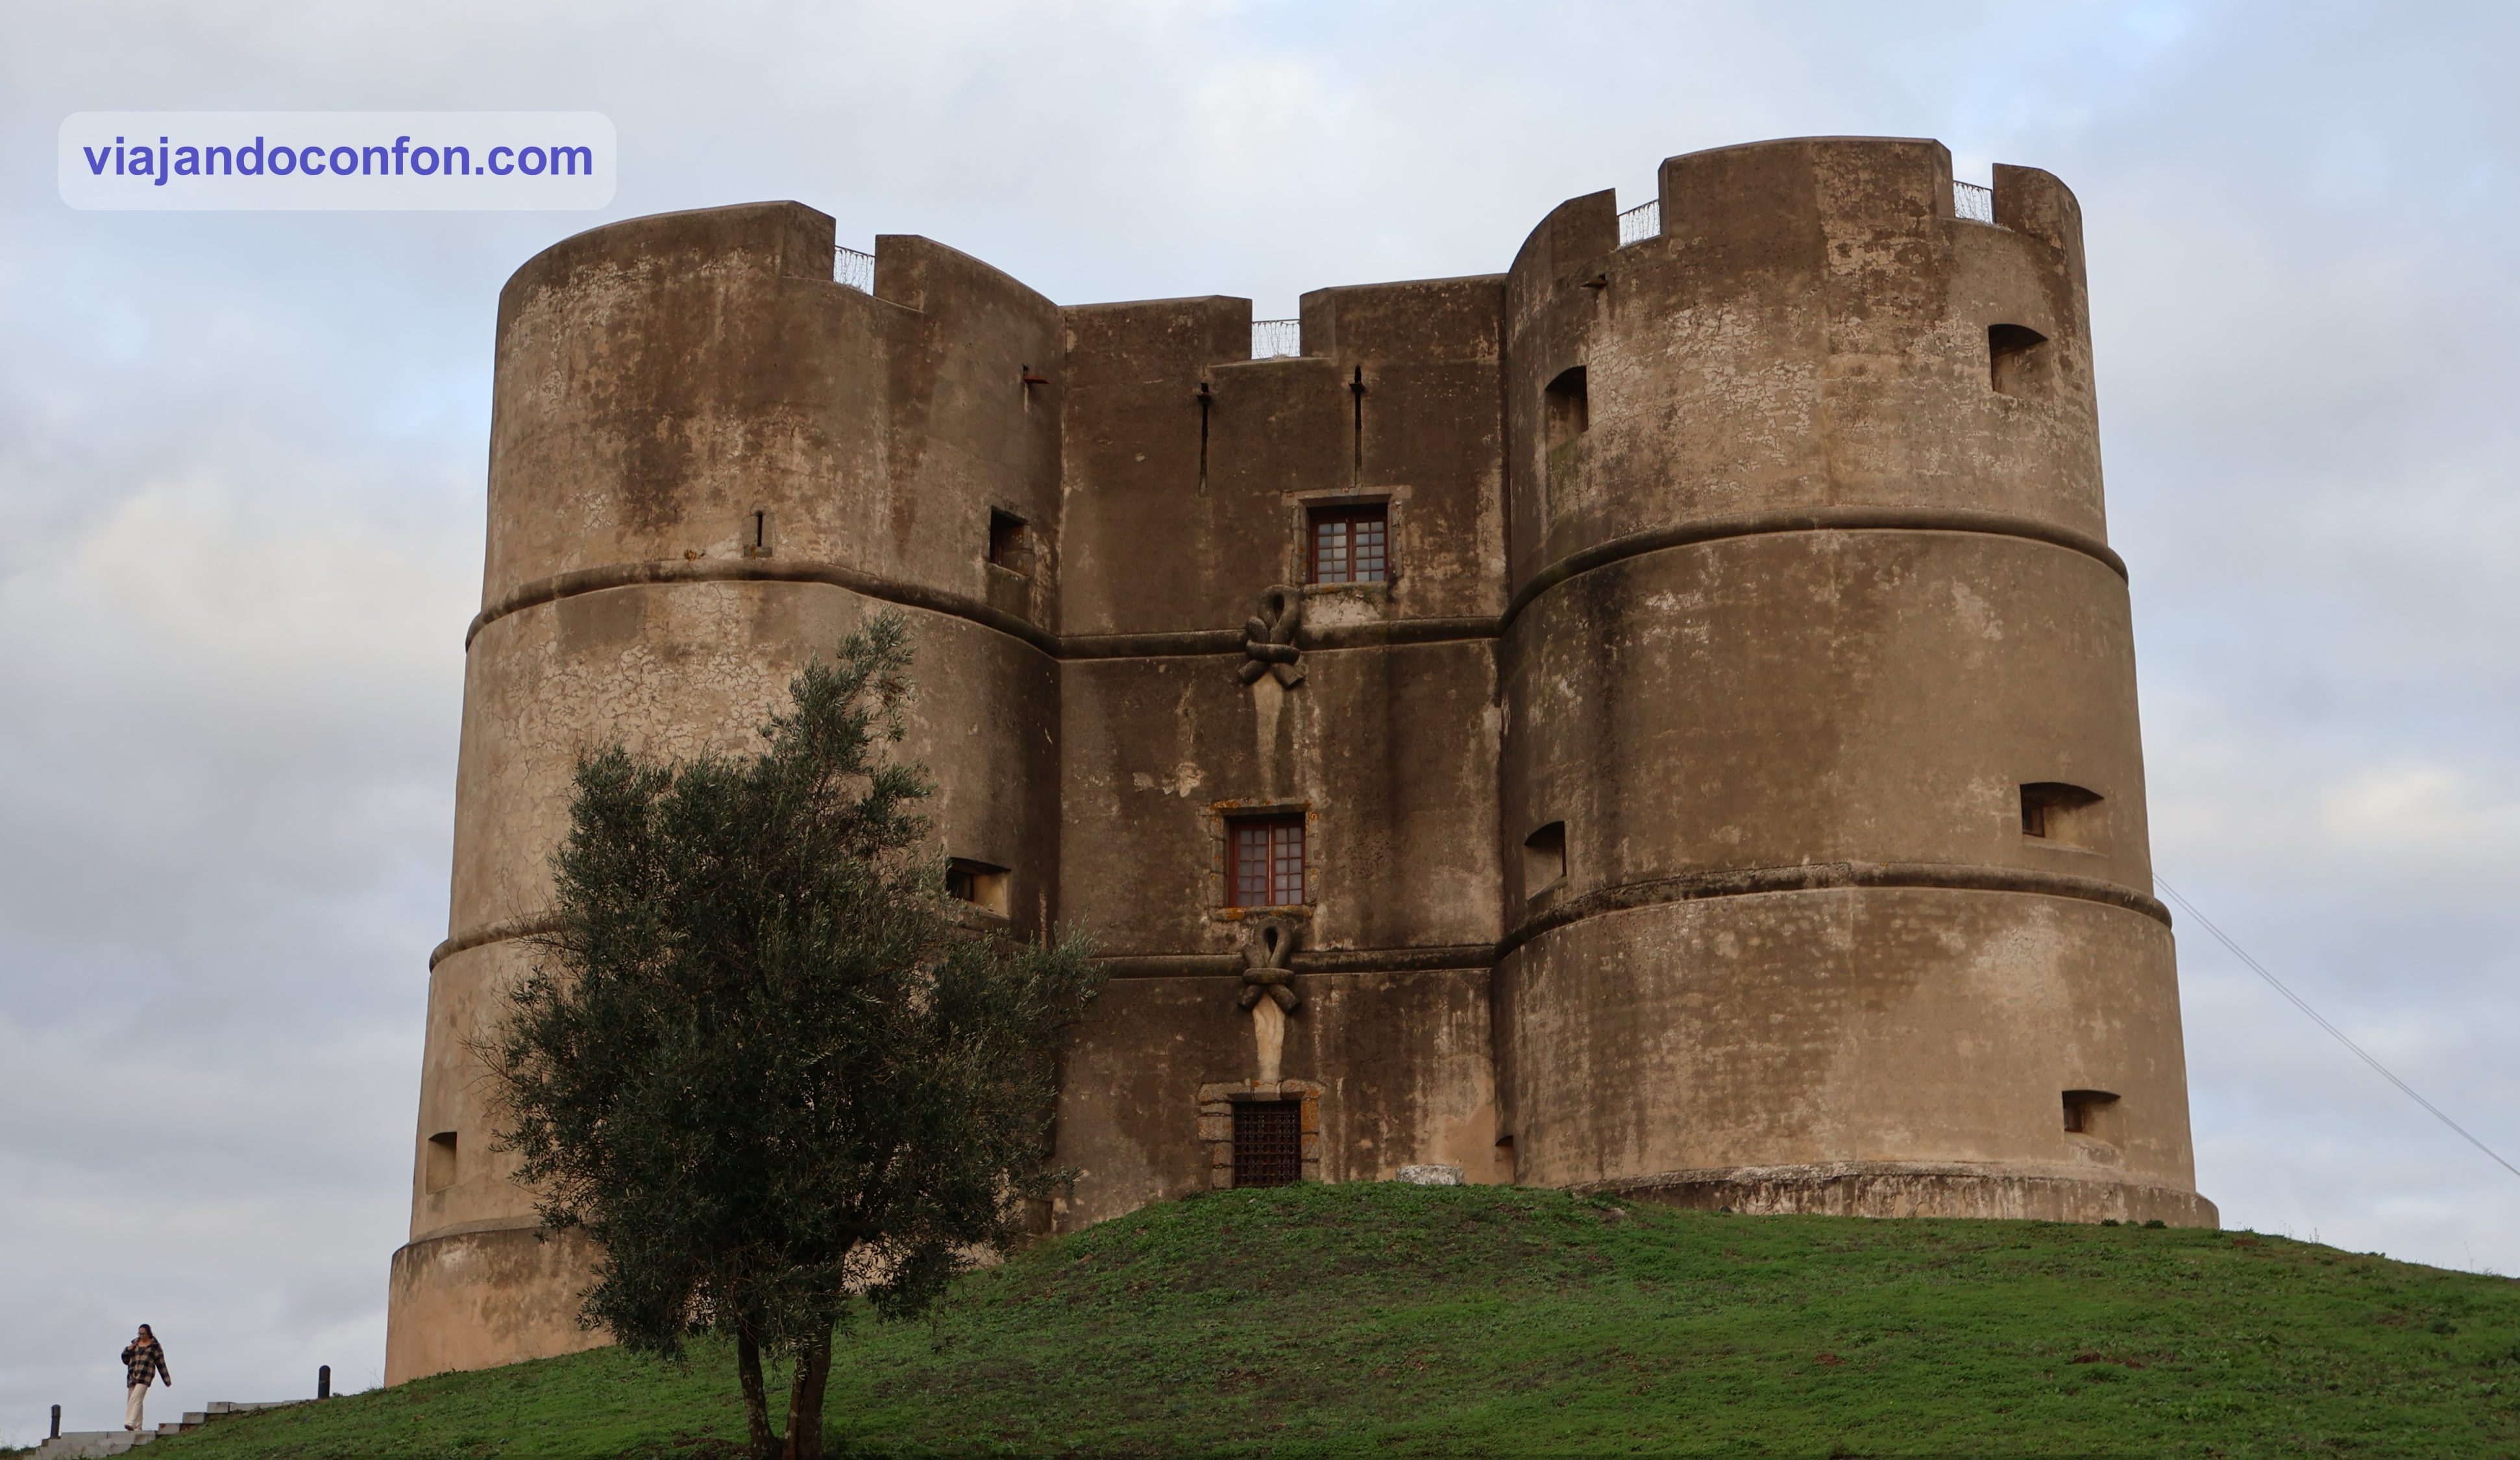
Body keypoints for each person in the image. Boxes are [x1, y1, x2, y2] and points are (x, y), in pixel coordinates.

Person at [120, 1324, 171, 1431]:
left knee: (136, 1398)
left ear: (149, 1333)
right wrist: (128, 1350)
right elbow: (125, 1360)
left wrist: (167, 1380)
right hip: (132, 1375)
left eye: (144, 1334)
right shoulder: (134, 1344)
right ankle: (138, 1427)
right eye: (140, 1334)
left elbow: (161, 1363)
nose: (142, 1336)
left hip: (146, 1375)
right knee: (134, 1399)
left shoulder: (155, 1346)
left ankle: (130, 1422)